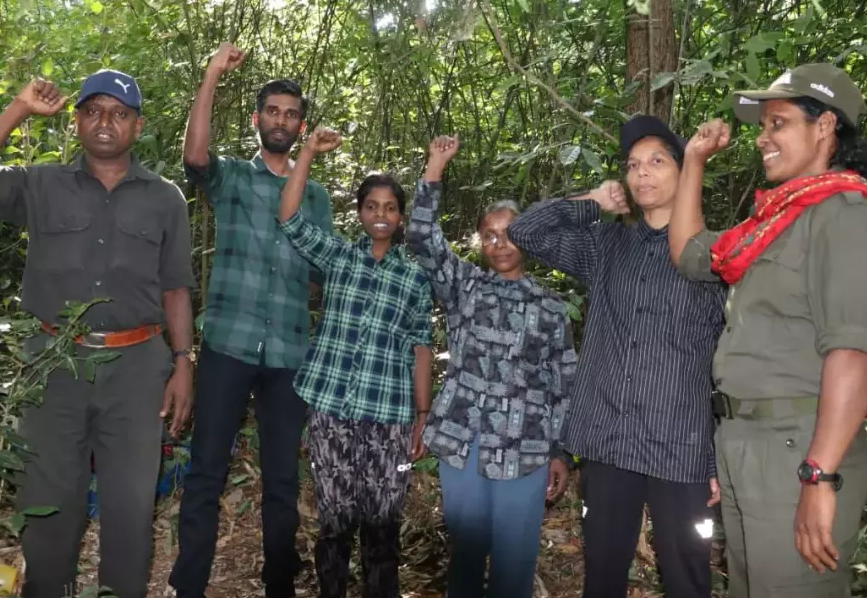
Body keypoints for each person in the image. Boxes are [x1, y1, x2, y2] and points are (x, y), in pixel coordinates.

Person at [668, 63, 867, 596]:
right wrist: (692, 161)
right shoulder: (775, 221)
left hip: (798, 448)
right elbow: (689, 254)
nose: (763, 139)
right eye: (764, 127)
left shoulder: (846, 215)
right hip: (745, 442)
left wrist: (819, 476)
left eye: (777, 124)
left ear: (824, 126)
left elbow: (854, 352)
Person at [0, 72, 196, 598]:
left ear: (138, 124)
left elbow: (177, 286)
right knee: (48, 503)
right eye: (94, 110)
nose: (105, 122)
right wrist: (17, 109)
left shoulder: (165, 198)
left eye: (119, 112)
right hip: (51, 366)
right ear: (77, 119)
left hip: (137, 370)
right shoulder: (40, 184)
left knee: (130, 509)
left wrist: (183, 363)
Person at [507, 115, 727, 598]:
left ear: (684, 170)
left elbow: (723, 362)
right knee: (602, 577)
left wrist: (717, 455)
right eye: (632, 164)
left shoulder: (714, 256)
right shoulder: (606, 245)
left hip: (682, 448)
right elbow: (525, 231)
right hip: (610, 442)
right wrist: (594, 202)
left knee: (687, 578)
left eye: (656, 161)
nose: (642, 172)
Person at [170, 44, 335, 598]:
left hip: (289, 354)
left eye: (291, 114)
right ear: (258, 119)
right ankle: (189, 584)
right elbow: (195, 157)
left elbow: (323, 270)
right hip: (228, 344)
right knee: (207, 471)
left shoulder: (314, 195)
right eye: (273, 112)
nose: (281, 121)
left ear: (301, 124)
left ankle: (279, 586)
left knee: (283, 481)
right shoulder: (234, 178)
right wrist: (213, 73)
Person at [406, 136, 573, 598]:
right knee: (464, 556)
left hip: (526, 449)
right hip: (464, 443)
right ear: (480, 240)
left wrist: (562, 452)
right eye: (491, 235)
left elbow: (565, 384)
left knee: (514, 564)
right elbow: (421, 236)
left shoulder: (551, 306)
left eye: (511, 233)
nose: (500, 244)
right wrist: (435, 163)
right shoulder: (464, 286)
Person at [276, 126, 434, 598]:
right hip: (332, 408)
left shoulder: (414, 278)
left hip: (388, 415)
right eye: (371, 206)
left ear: (401, 216)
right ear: (360, 212)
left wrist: (422, 417)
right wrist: (306, 152)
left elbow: (421, 347)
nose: (380, 215)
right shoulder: (341, 257)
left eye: (389, 207)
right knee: (336, 515)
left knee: (383, 519)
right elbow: (288, 217)